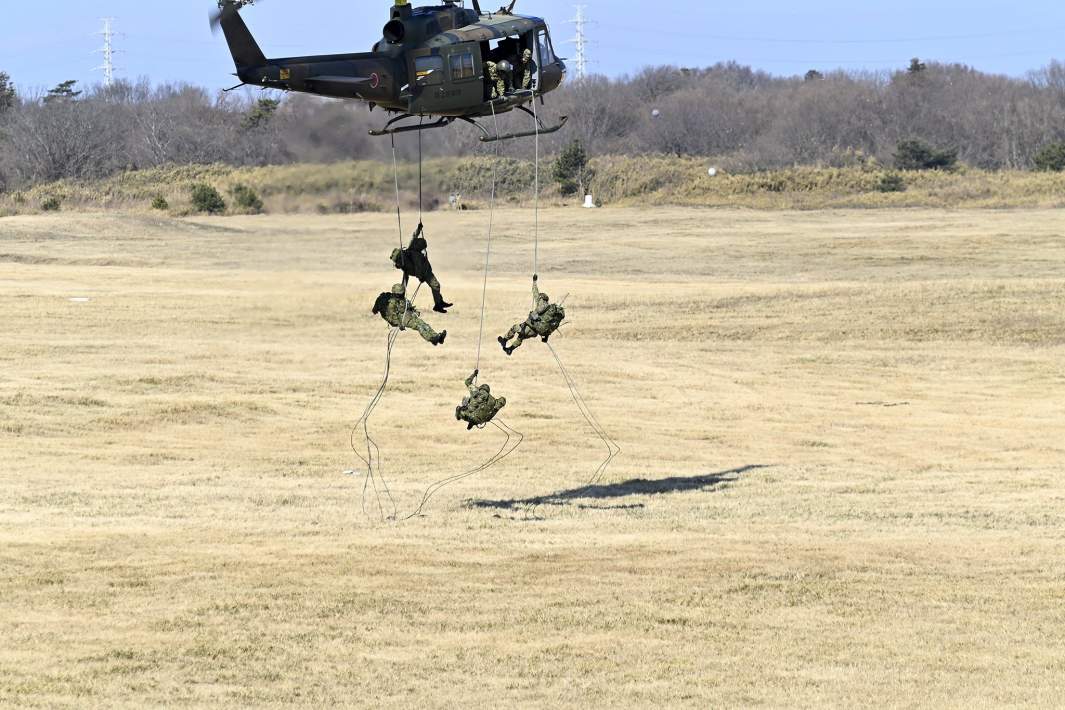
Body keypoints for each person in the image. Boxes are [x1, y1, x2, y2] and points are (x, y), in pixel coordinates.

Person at [390, 223, 452, 314]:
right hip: (423, 272)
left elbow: (414, 235)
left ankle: (439, 303)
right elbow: (418, 267)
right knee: (435, 285)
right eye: (423, 246)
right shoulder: (416, 255)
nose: (424, 248)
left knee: (435, 286)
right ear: (419, 245)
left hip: (421, 270)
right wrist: (421, 277)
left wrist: (419, 228)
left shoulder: (412, 247)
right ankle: (438, 305)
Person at [498, 275, 565, 355]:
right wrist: (546, 337)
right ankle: (510, 349)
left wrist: (534, 281)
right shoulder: (551, 314)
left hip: (529, 326)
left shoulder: (541, 303)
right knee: (521, 337)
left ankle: (504, 340)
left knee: (515, 328)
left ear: (542, 298)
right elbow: (550, 326)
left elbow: (535, 292)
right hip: (534, 333)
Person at [372, 283, 447, 346]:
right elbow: (392, 316)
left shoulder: (402, 299)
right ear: (397, 294)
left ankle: (437, 337)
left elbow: (407, 306)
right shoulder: (392, 303)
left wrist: (414, 311)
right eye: (401, 294)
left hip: (406, 315)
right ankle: (431, 338)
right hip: (400, 319)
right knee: (418, 326)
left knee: (424, 324)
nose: (402, 295)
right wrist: (399, 324)